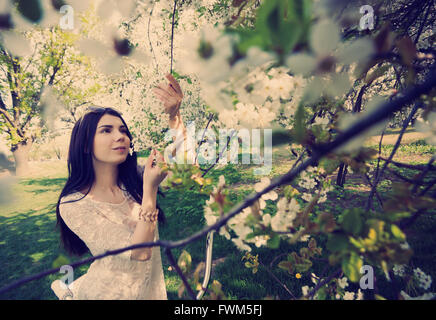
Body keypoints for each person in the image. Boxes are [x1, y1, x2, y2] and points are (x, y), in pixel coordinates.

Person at [51, 74, 191, 300]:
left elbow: (188, 168)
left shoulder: (135, 178)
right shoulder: (73, 203)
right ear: (85, 145)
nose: (121, 137)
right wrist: (150, 191)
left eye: (123, 130)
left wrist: (174, 116)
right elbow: (140, 252)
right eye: (106, 130)